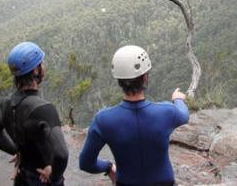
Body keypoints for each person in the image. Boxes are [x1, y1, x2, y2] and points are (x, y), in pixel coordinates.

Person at [79, 45, 189, 186]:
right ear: (145, 77)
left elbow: (86, 163)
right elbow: (184, 115)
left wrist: (107, 167)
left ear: (119, 80)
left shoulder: (104, 120)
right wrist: (178, 99)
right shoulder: (167, 112)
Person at [0, 42, 69, 185]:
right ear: (36, 70)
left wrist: (18, 152)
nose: (44, 66)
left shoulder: (4, 104)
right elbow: (62, 154)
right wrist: (53, 174)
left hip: (22, 177)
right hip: (42, 179)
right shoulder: (43, 109)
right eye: (42, 63)